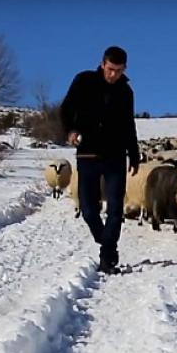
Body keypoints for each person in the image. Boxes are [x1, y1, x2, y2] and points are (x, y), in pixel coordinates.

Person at [61, 46, 140, 275]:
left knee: (115, 209)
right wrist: (71, 130)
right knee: (88, 209)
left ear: (124, 68)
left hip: (115, 155)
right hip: (88, 153)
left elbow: (128, 125)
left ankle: (107, 257)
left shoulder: (126, 92)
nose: (113, 75)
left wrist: (133, 154)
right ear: (103, 64)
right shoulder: (84, 81)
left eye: (118, 70)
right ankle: (105, 242)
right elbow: (66, 108)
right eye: (110, 69)